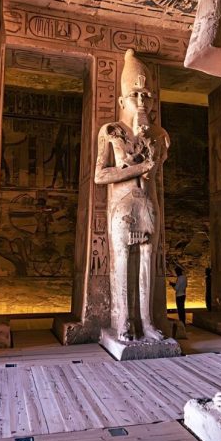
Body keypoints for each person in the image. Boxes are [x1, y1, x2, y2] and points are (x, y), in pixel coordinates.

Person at [94, 49, 170, 341]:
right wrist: (137, 170)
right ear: (122, 100)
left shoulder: (158, 134)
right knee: (123, 261)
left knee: (147, 264)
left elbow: (154, 170)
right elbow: (101, 175)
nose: (142, 101)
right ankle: (124, 320)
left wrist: (149, 168)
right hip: (122, 207)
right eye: (136, 95)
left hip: (149, 205)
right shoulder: (112, 131)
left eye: (146, 95)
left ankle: (148, 322)